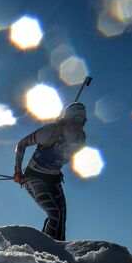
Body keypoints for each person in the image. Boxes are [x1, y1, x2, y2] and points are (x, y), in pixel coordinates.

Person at [13, 101, 87, 240]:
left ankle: (56, 251)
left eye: (83, 121)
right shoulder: (50, 131)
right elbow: (22, 144)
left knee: (62, 218)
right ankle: (49, 252)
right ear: (68, 118)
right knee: (55, 213)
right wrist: (17, 171)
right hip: (34, 175)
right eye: (77, 119)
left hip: (53, 179)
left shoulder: (80, 138)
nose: (80, 124)